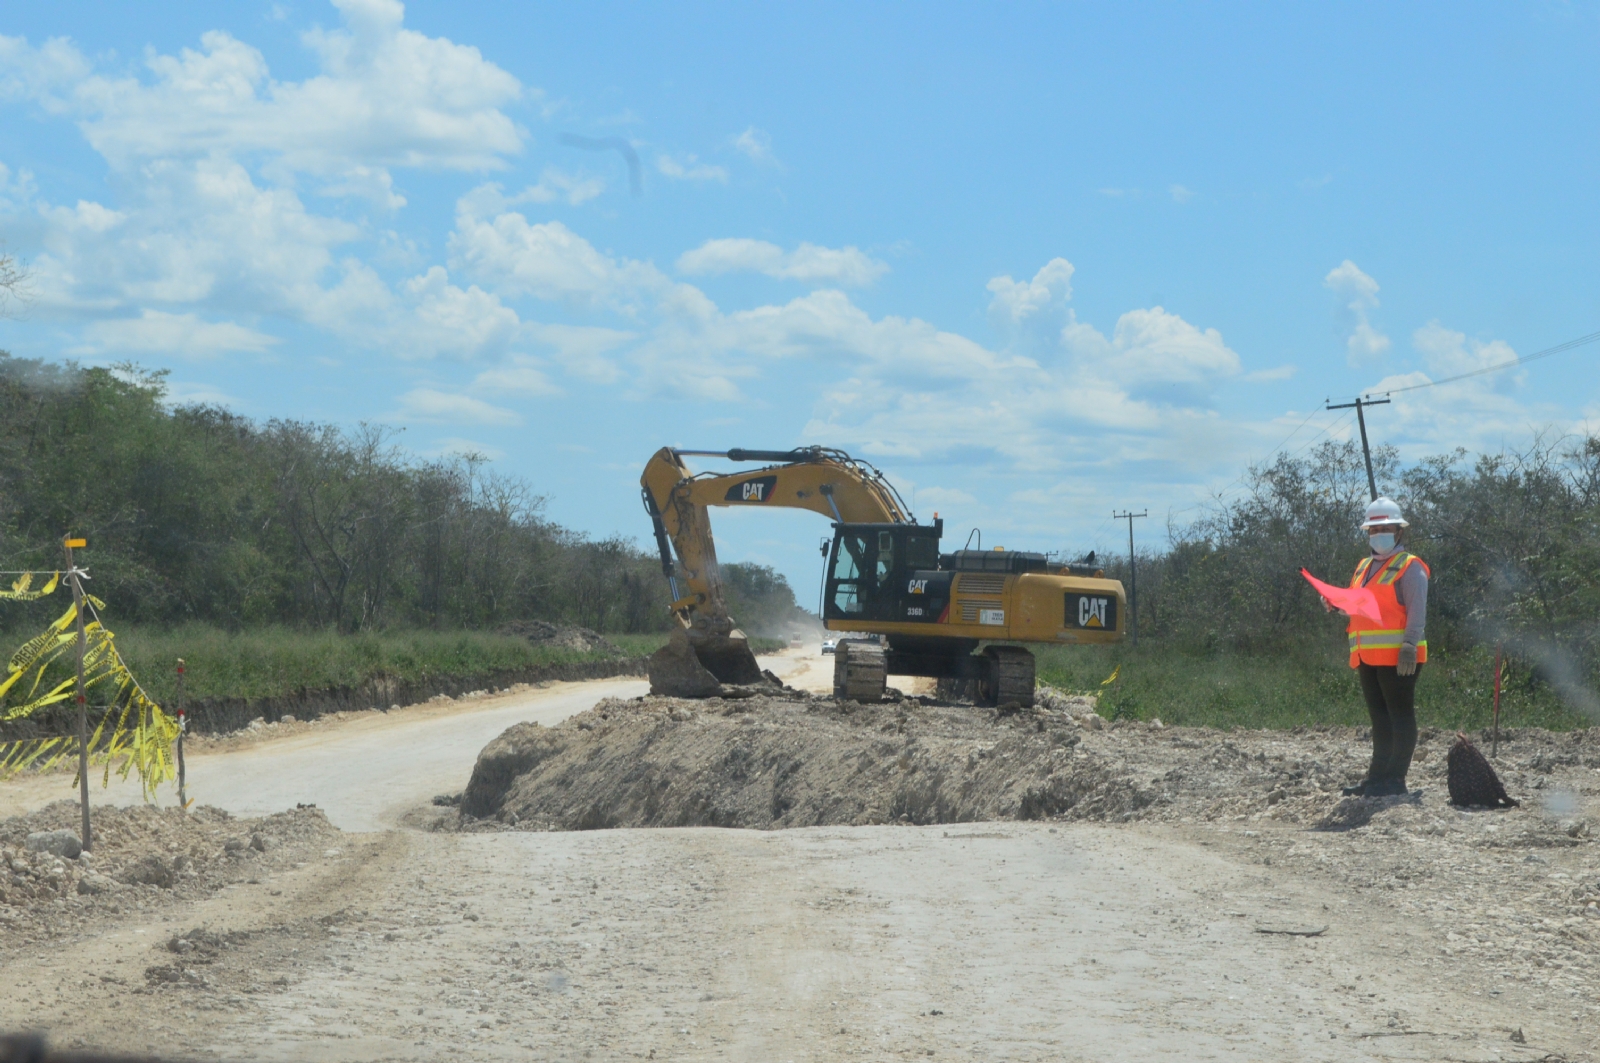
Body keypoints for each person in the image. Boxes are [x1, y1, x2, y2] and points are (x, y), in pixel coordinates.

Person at [1329, 497, 1429, 797]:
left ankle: (1395, 780)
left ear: (1399, 531)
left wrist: (1410, 644)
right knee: (1380, 720)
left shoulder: (1410, 567)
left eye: (1385, 528)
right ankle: (1376, 779)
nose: (1378, 534)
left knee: (1399, 717)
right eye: (1373, 530)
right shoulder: (1363, 567)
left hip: (1400, 657)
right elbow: (1359, 607)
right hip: (1367, 656)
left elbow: (1417, 609)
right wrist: (1335, 604)